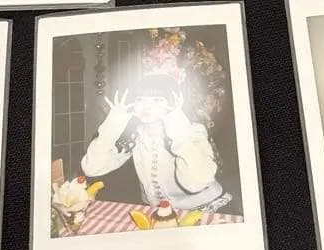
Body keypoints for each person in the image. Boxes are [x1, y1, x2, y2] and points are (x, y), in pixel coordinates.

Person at [81, 74, 231, 212]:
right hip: (157, 212)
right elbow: (92, 168)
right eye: (140, 99)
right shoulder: (133, 135)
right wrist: (112, 127)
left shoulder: (192, 131)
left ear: (174, 103)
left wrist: (180, 136)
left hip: (204, 208)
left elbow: (196, 183)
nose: (147, 106)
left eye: (157, 100)